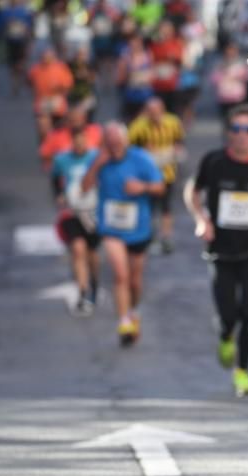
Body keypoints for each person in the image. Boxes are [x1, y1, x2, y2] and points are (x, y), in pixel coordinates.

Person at [184, 104, 248, 396]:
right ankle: (226, 335)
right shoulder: (214, 162)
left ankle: (243, 372)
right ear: (228, 133)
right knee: (228, 314)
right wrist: (201, 220)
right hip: (221, 252)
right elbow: (192, 190)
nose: (243, 135)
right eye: (237, 129)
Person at [81, 122, 165, 346]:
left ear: (126, 141)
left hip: (139, 228)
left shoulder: (141, 159)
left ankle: (134, 310)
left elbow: (160, 186)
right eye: (109, 143)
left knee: (135, 281)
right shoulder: (99, 159)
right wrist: (97, 165)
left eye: (117, 142)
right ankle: (124, 320)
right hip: (111, 228)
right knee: (120, 274)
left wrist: (143, 188)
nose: (114, 147)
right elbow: (84, 187)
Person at [51, 126, 101, 315]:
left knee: (93, 253)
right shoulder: (62, 159)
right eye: (76, 140)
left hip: (93, 211)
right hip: (73, 212)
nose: (80, 144)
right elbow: (55, 178)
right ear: (72, 141)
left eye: (83, 140)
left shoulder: (96, 157)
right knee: (78, 249)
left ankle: (94, 283)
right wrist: (59, 195)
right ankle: (82, 292)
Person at [129, 96, 185, 254]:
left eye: (157, 111)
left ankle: (166, 237)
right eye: (151, 112)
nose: (154, 115)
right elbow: (129, 148)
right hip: (146, 176)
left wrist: (174, 153)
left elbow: (180, 141)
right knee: (148, 206)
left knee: (166, 206)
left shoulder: (173, 122)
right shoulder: (138, 126)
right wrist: (144, 153)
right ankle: (148, 234)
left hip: (167, 173)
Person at [39, 105, 103, 171]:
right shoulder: (56, 135)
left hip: (91, 172)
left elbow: (104, 153)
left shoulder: (96, 131)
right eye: (73, 119)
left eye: (78, 118)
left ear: (85, 118)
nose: (76, 122)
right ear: (68, 120)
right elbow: (45, 156)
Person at [29, 46, 74, 140]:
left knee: (59, 131)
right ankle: (45, 147)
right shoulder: (35, 69)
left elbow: (68, 86)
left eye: (49, 57)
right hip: (42, 103)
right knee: (43, 130)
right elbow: (30, 82)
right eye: (44, 57)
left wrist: (59, 94)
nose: (46, 59)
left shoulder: (61, 68)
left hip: (57, 104)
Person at [0, 0, 34, 95]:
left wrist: (29, 39)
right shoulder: (5, 12)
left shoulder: (24, 11)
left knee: (20, 63)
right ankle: (14, 83)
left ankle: (21, 78)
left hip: (21, 41)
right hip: (10, 41)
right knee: (12, 64)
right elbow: (0, 26)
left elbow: (30, 26)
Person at [116, 35, 155, 122]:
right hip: (131, 94)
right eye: (132, 44)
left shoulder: (148, 55)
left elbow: (152, 72)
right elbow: (120, 79)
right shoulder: (125, 58)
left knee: (145, 119)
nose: (135, 46)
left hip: (146, 93)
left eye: (137, 43)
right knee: (132, 119)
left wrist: (147, 77)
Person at [149, 20, 184, 113]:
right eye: (162, 29)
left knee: (173, 112)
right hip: (158, 84)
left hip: (172, 84)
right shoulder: (155, 44)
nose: (164, 31)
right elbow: (151, 60)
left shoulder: (176, 43)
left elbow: (178, 58)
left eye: (167, 29)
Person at [208, 41, 248, 118]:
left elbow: (247, 75)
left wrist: (237, 75)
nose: (230, 52)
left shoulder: (241, 63)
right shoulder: (219, 63)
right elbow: (213, 78)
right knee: (226, 117)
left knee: (237, 116)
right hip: (224, 96)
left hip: (237, 96)